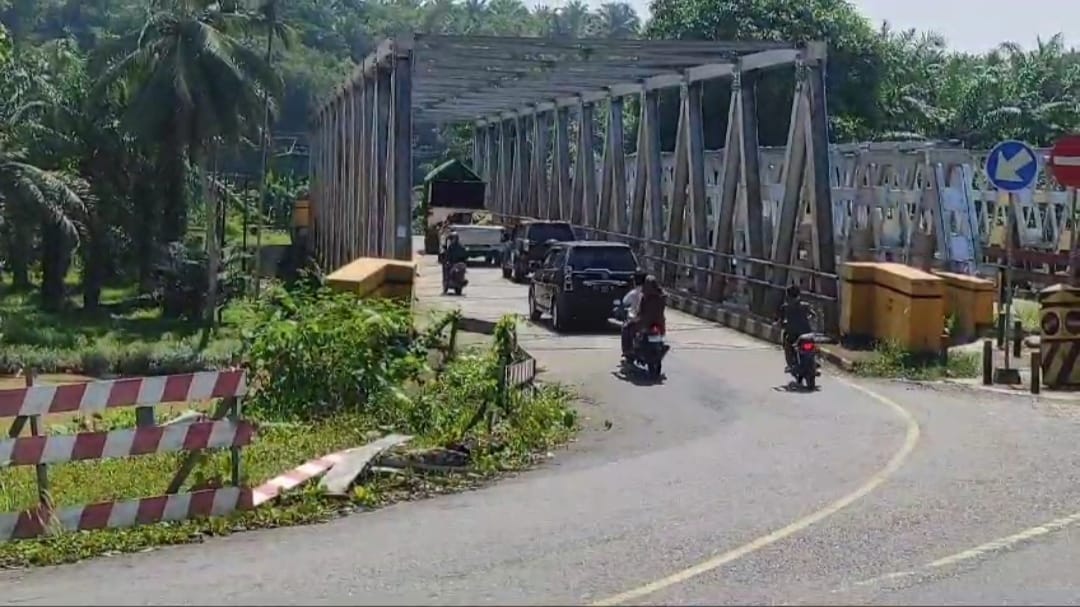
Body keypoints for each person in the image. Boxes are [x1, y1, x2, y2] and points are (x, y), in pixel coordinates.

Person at [777, 284, 813, 371]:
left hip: (793, 333)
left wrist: (781, 323)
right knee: (812, 344)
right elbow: (813, 315)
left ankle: (790, 364)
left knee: (787, 344)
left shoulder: (785, 307)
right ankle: (815, 361)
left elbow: (781, 321)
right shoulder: (805, 305)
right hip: (807, 332)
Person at [621, 271, 647, 358]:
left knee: (625, 329)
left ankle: (627, 351)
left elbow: (625, 302)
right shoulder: (655, 293)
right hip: (654, 320)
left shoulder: (634, 293)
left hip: (637, 319)